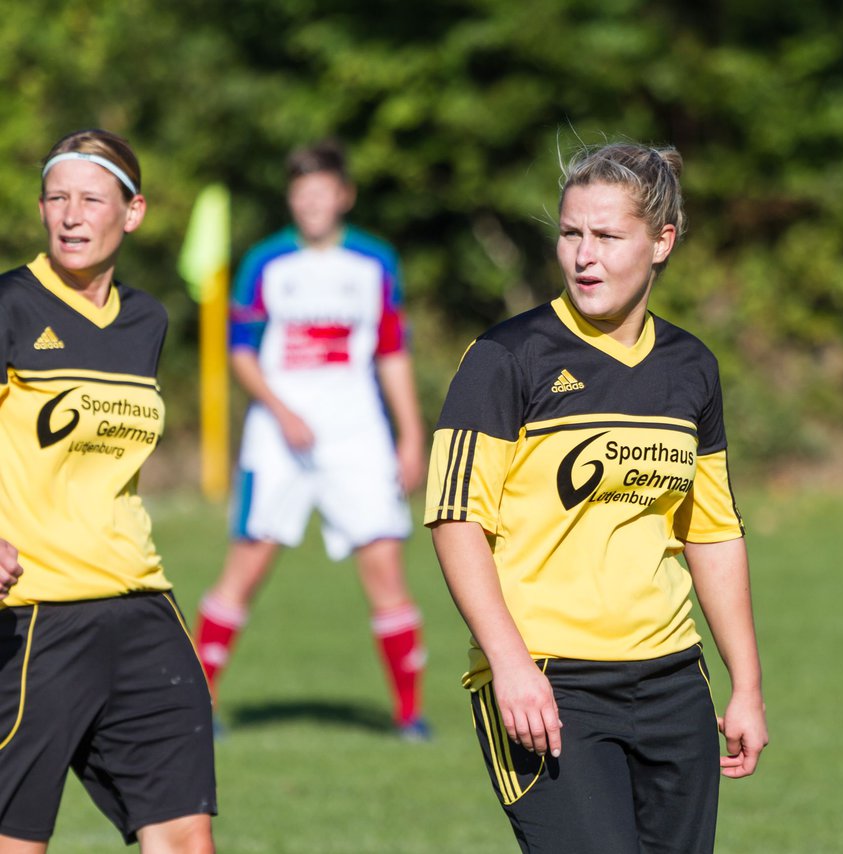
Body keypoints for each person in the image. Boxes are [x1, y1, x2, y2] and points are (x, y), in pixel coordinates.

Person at [426, 141, 769, 853]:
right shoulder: (506, 358)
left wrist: (746, 684)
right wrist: (511, 665)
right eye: (571, 234)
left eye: (608, 237)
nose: (585, 256)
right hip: (550, 684)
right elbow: (455, 521)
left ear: (662, 242)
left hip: (675, 680)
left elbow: (711, 532)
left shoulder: (690, 368)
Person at [0, 130, 217, 852]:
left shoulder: (145, 321)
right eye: (56, 198)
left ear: (133, 213)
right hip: (33, 618)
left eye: (91, 199)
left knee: (186, 837)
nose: (71, 215)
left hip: (140, 605)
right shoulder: (11, 306)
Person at [192, 141, 430, 740]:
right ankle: (199, 704)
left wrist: (411, 435)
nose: (313, 203)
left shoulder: (374, 262)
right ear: (291, 199)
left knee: (385, 570)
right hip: (278, 439)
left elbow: (392, 352)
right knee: (246, 568)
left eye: (323, 191)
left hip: (357, 437)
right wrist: (280, 409)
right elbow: (240, 352)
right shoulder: (266, 263)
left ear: (343, 195)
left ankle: (409, 716)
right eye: (302, 194)